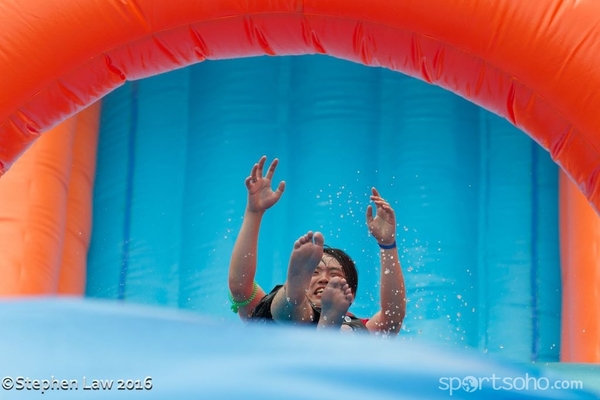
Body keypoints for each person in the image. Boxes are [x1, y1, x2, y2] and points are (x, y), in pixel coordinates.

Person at [228, 156, 406, 335]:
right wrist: (254, 212)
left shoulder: (357, 326)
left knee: (351, 331)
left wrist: (387, 245)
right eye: (314, 272)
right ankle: (295, 296)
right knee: (284, 312)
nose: (324, 279)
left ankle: (320, 320)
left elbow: (392, 317)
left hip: (339, 334)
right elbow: (240, 287)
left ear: (349, 294)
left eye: (334, 275)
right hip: (287, 327)